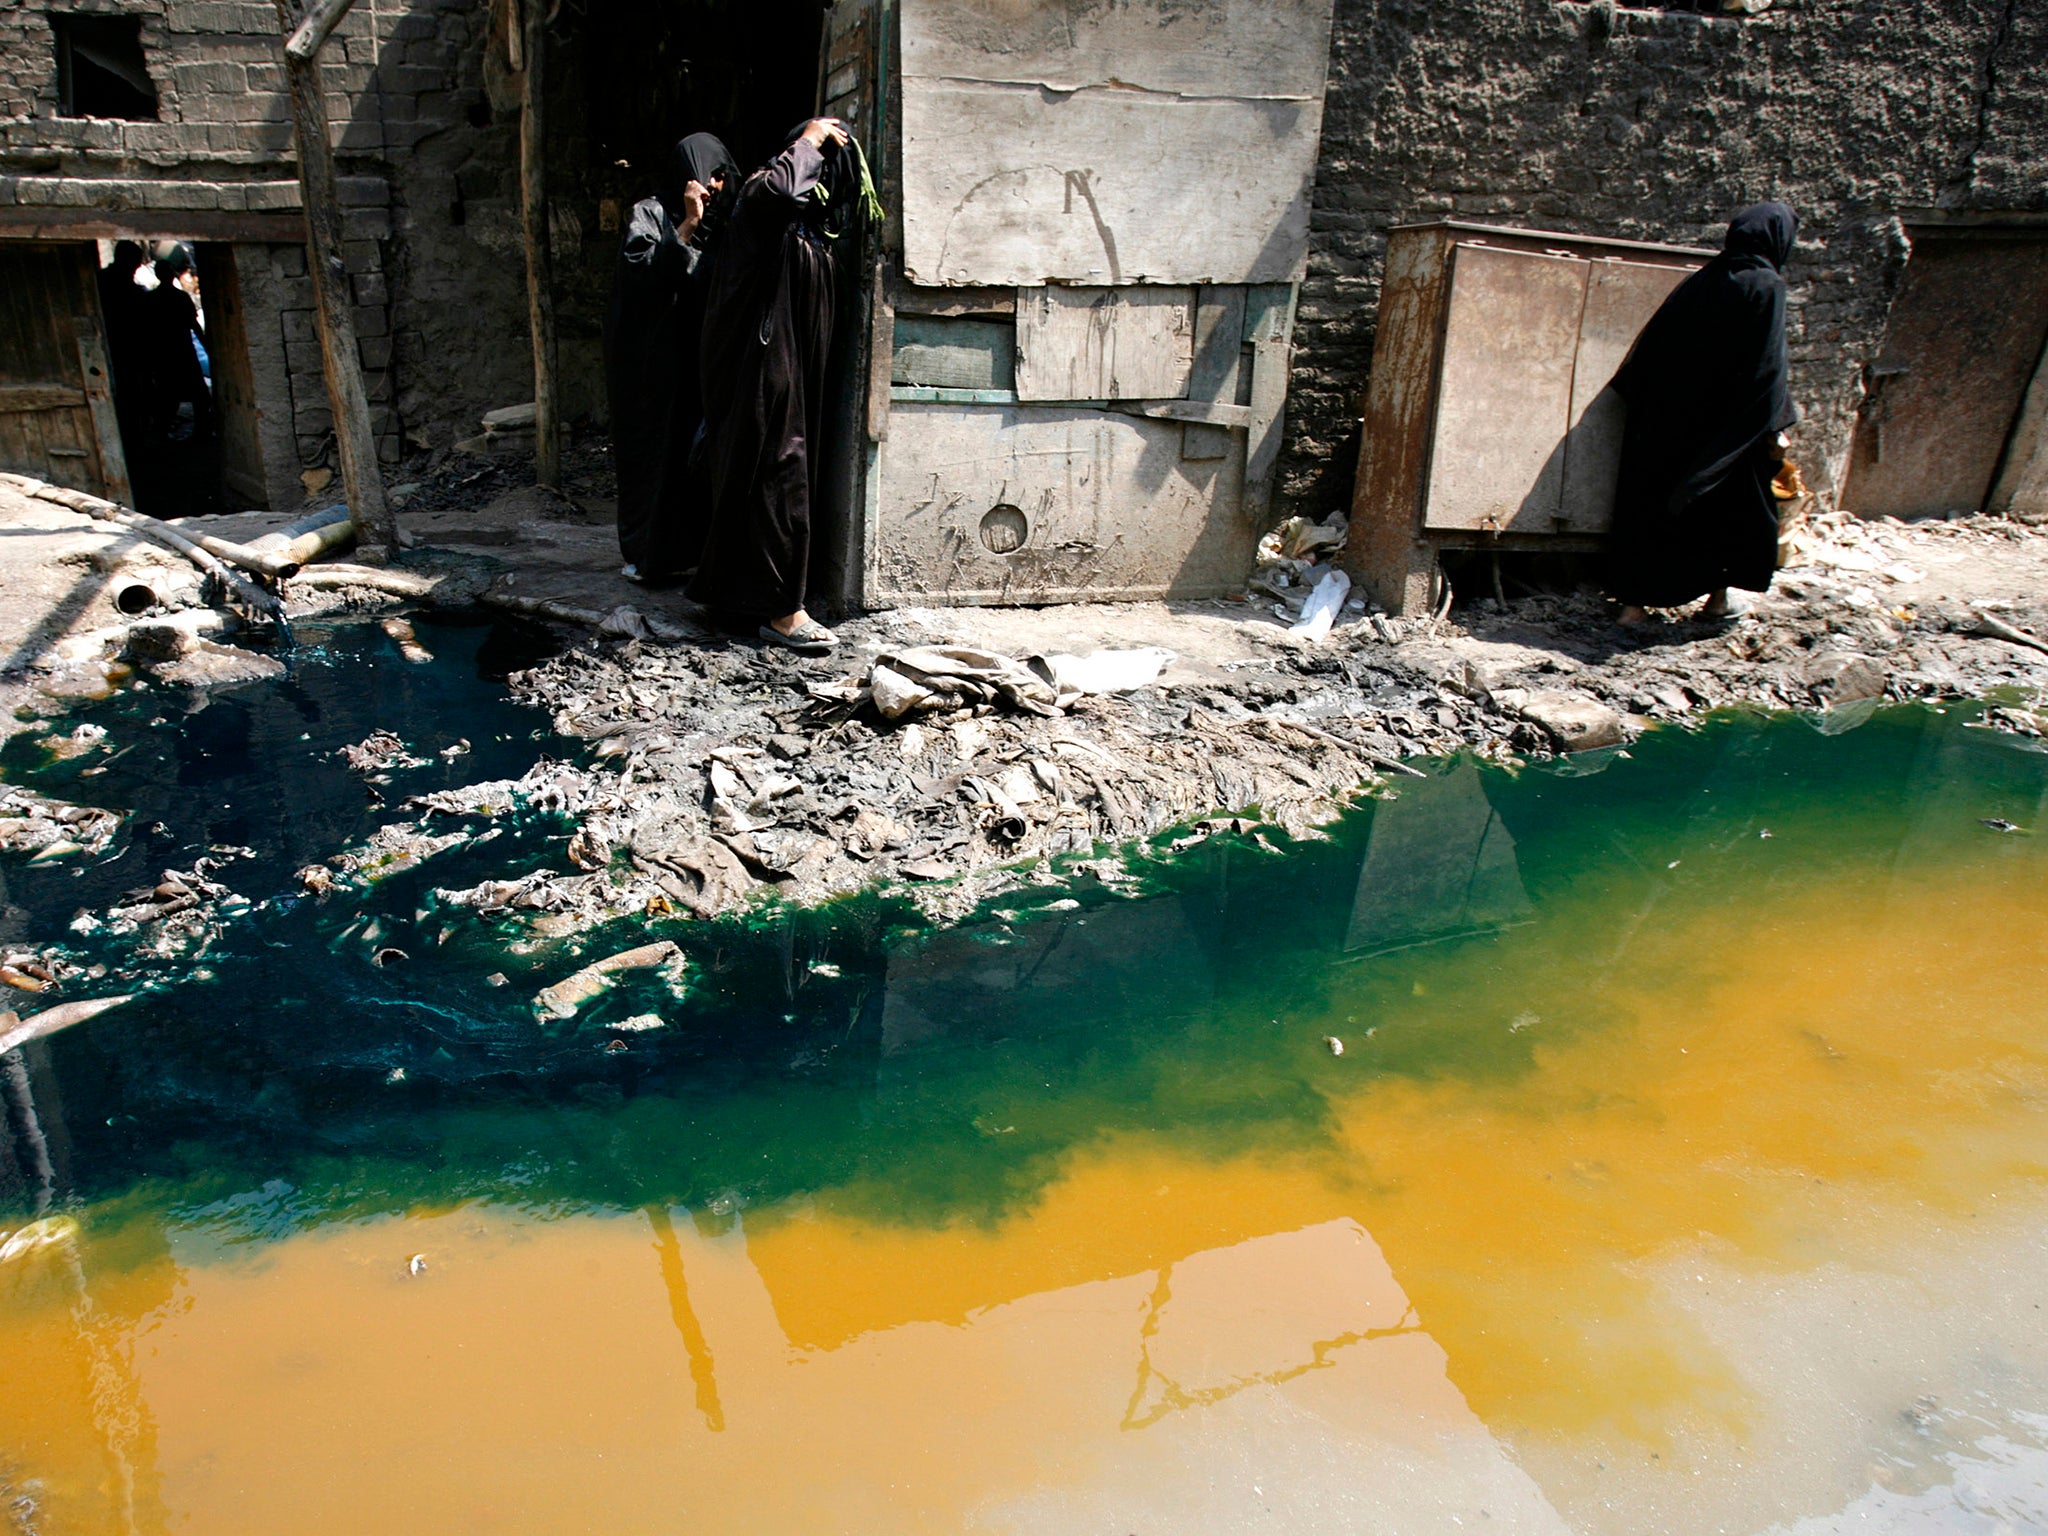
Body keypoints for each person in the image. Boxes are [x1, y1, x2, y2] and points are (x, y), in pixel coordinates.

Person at [689, 117, 851, 655]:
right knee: (778, 473)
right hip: (758, 369)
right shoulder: (762, 198)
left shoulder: (810, 232)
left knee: (763, 474)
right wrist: (809, 137)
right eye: (818, 156)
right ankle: (783, 611)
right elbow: (783, 187)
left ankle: (736, 597)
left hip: (785, 371)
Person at [1606, 202, 1799, 626]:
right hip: (1727, 430)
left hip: (1666, 426)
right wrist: (1775, 423)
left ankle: (1633, 609)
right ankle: (1717, 601)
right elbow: (1768, 366)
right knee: (1734, 513)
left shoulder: (1702, 281)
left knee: (1654, 511)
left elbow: (1651, 355)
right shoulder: (1767, 285)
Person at [604, 131, 737, 585]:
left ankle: (694, 554)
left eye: (720, 177)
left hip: (698, 362)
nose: (714, 186)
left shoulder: (726, 224)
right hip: (651, 368)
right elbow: (640, 275)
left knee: (695, 457)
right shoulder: (652, 213)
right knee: (653, 458)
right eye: (705, 177)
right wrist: (687, 226)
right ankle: (648, 556)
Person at [142, 242, 211, 440]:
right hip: (182, 353)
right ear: (171, 275)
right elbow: (194, 326)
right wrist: (208, 347)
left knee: (167, 399)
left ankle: (161, 435)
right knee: (198, 397)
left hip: (164, 355)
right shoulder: (179, 298)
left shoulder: (151, 300)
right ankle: (201, 433)